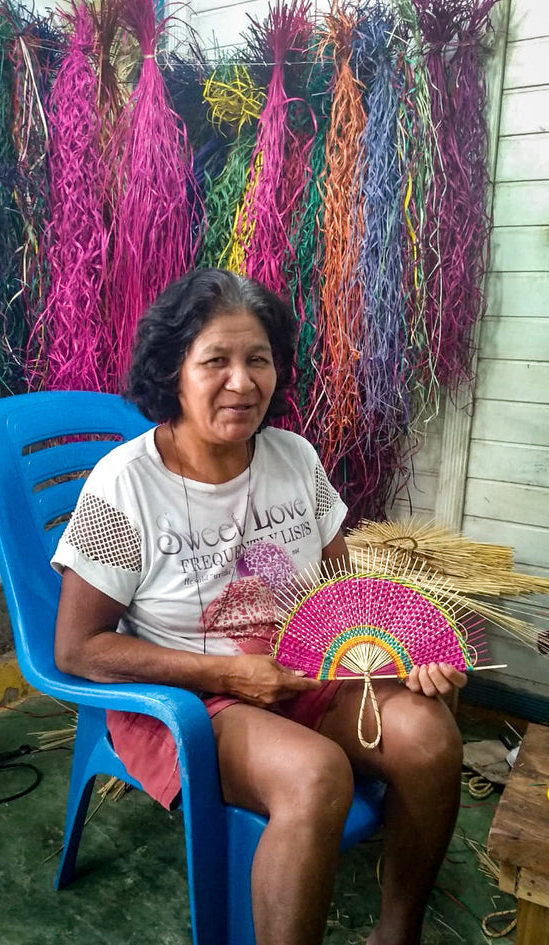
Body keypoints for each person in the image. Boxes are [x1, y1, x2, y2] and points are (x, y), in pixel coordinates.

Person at [53, 268, 466, 945]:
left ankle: (397, 933)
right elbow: (77, 648)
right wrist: (228, 675)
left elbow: (339, 593)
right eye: (216, 360)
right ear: (173, 371)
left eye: (258, 360)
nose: (242, 382)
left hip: (301, 676)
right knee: (316, 774)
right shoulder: (123, 485)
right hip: (192, 700)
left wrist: (404, 655)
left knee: (430, 736)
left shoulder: (293, 457)